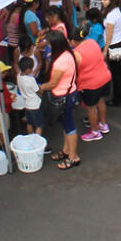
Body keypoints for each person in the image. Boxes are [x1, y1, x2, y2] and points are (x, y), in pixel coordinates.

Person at [39, 31, 82, 170]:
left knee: (69, 127)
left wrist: (39, 87)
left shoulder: (60, 61)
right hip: (69, 93)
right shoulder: (68, 54)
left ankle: (73, 156)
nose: (48, 46)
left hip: (63, 97)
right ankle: (66, 150)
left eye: (50, 44)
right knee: (65, 125)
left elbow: (52, 83)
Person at [74, 32, 112, 142]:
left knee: (91, 108)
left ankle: (95, 131)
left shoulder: (76, 53)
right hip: (104, 78)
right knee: (101, 101)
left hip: (90, 84)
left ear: (73, 41)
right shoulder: (92, 42)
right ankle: (103, 124)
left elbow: (74, 70)